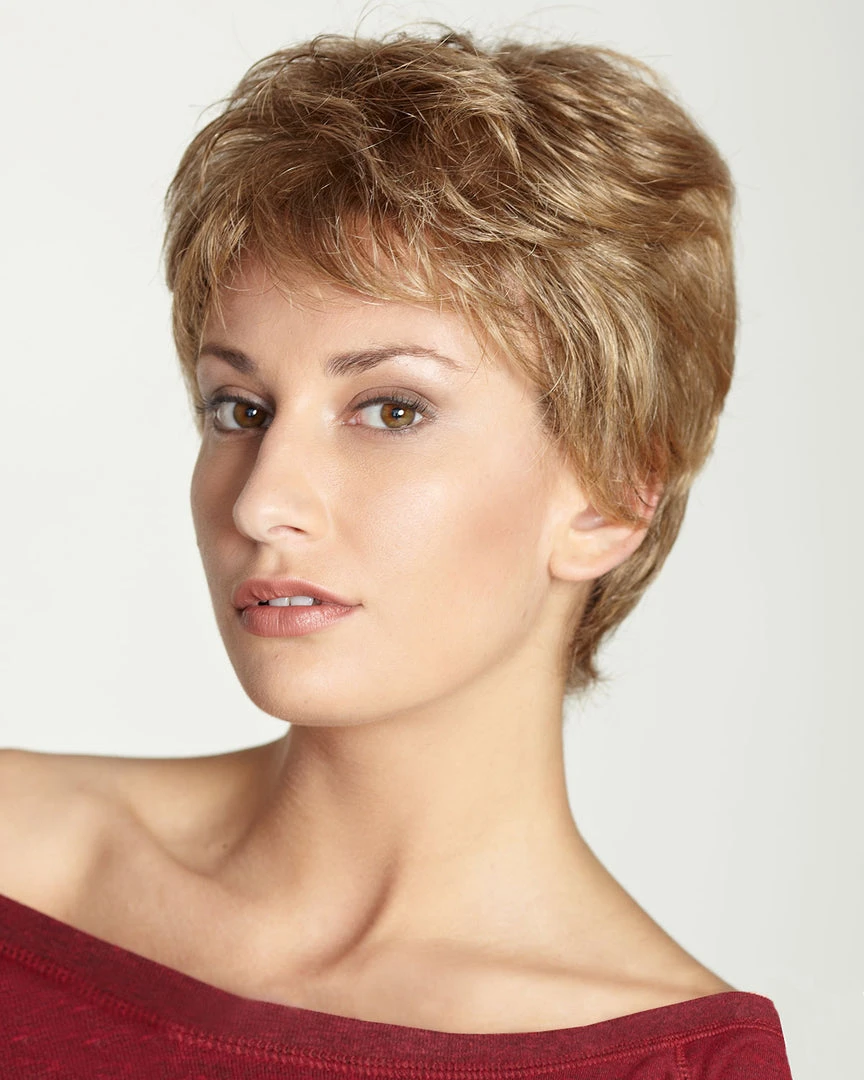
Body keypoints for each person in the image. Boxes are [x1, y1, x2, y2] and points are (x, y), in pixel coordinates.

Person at [0, 27, 794, 1078]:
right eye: (239, 407)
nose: (263, 501)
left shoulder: (677, 1064)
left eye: (391, 409)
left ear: (611, 495)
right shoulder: (19, 857)